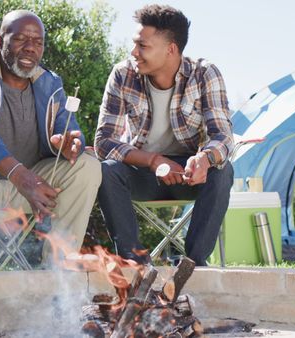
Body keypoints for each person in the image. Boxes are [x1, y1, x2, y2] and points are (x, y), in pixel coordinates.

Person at [0, 10, 101, 274]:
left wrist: (71, 144)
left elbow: (69, 129)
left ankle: (59, 273)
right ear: (0, 41)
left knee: (88, 165)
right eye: (21, 39)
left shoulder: (50, 83)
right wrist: (19, 175)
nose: (30, 48)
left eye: (38, 42)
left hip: (31, 187)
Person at [94, 4, 234, 266]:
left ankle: (193, 264)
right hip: (144, 172)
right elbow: (103, 142)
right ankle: (135, 263)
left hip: (191, 173)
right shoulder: (123, 74)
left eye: (142, 46)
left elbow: (223, 137)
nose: (133, 52)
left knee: (223, 170)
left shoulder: (205, 73)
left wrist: (204, 158)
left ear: (171, 49)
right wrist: (153, 161)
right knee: (107, 170)